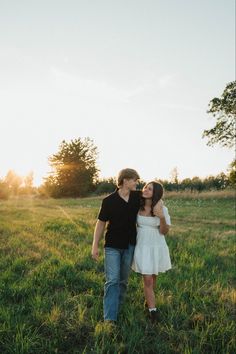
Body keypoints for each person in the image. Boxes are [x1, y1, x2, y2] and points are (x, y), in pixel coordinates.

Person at [91, 168, 141, 323]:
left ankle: (117, 305)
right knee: (112, 280)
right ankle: (110, 318)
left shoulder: (137, 197)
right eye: (134, 180)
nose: (136, 183)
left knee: (123, 281)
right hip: (112, 245)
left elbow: (155, 197)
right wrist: (95, 246)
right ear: (125, 180)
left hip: (130, 245)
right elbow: (100, 224)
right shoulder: (108, 201)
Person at [132, 181, 171, 323]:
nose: (146, 190)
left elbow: (164, 231)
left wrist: (160, 216)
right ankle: (153, 312)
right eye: (145, 187)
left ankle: (148, 300)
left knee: (153, 277)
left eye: (150, 189)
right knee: (147, 279)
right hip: (142, 245)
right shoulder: (137, 206)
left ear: (156, 194)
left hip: (157, 245)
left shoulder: (162, 209)